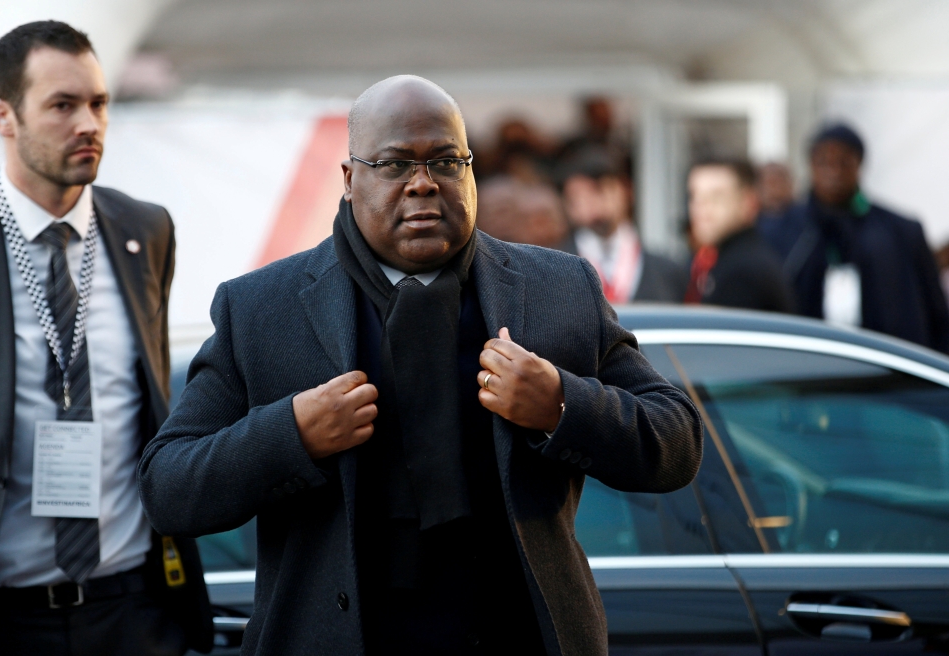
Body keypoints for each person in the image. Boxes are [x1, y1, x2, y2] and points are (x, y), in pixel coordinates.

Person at [138, 75, 703, 656]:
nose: (423, 184)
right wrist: (293, 435)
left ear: (472, 171)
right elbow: (169, 488)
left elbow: (678, 442)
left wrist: (561, 404)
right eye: (394, 165)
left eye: (446, 161)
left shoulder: (558, 287)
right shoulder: (262, 308)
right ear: (350, 178)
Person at [0, 22, 212, 656]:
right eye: (63, 105)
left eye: (98, 103)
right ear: (2, 116)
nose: (89, 123)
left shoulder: (145, 229)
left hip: (135, 608)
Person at [786, 123, 949, 352]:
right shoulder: (787, 229)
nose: (834, 172)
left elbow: (935, 312)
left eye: (844, 162)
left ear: (859, 164)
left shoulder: (899, 231)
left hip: (887, 365)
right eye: (824, 162)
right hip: (807, 365)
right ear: (811, 165)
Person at [557, 146, 687, 303]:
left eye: (599, 190)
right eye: (578, 197)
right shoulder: (552, 273)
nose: (590, 205)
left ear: (626, 189)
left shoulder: (669, 272)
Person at [685, 159, 795, 313]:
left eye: (716, 197)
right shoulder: (718, 258)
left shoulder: (743, 273)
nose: (701, 209)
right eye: (695, 196)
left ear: (748, 202)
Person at [755, 162, 806, 261]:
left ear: (791, 185)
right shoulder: (747, 223)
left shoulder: (808, 222)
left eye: (779, 181)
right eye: (769, 183)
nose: (774, 189)